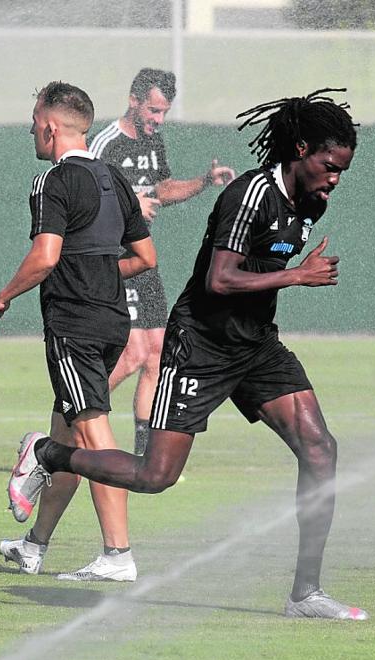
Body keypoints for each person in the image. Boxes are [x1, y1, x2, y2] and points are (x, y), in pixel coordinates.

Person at [8, 89, 367, 619]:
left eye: (342, 170)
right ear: (300, 148)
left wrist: (290, 271)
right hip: (198, 345)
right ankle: (47, 454)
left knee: (320, 449)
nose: (334, 178)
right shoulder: (251, 196)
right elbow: (220, 280)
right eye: (328, 165)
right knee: (156, 476)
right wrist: (298, 274)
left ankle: (305, 594)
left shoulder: (312, 200)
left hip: (256, 346)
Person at [0, 81, 156, 582]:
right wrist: (97, 272)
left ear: (50, 126)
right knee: (68, 430)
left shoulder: (53, 182)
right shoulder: (114, 178)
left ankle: (118, 555)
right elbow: (145, 258)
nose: (31, 131)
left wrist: (2, 296)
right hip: (112, 322)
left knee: (95, 439)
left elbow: (45, 256)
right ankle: (34, 546)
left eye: (34, 122)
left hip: (73, 324)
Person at [88, 68, 234, 457]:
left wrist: (204, 181)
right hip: (112, 260)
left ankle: (143, 457)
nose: (158, 119)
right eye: (153, 110)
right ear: (133, 100)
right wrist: (130, 204)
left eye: (164, 112)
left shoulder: (154, 143)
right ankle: (74, 411)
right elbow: (81, 197)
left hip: (143, 258)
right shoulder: (105, 144)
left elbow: (163, 188)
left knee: (157, 353)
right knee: (133, 353)